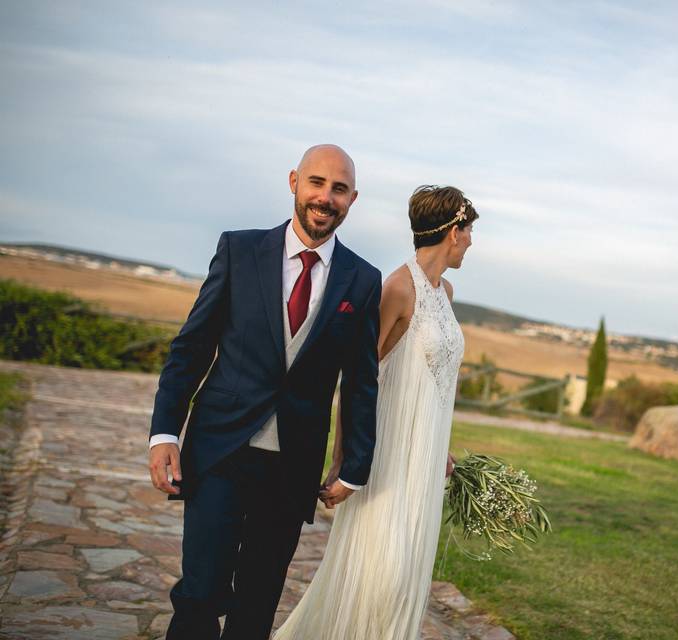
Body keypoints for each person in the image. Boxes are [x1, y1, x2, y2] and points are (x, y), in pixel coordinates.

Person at [147, 144, 381, 640]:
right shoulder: (239, 249)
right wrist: (165, 431)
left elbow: (361, 381)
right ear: (294, 181)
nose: (325, 197)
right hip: (219, 452)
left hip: (291, 468)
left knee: (257, 603)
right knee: (200, 594)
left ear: (352, 199)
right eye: (317, 183)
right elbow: (192, 348)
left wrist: (355, 466)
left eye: (338, 189)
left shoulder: (363, 280)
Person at [272, 185, 476, 640]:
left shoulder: (447, 291)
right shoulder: (398, 289)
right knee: (384, 571)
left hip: (425, 455)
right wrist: (344, 458)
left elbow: (440, 378)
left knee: (407, 575)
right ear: (453, 232)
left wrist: (441, 447)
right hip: (388, 452)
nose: (470, 243)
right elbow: (358, 377)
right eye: (469, 231)